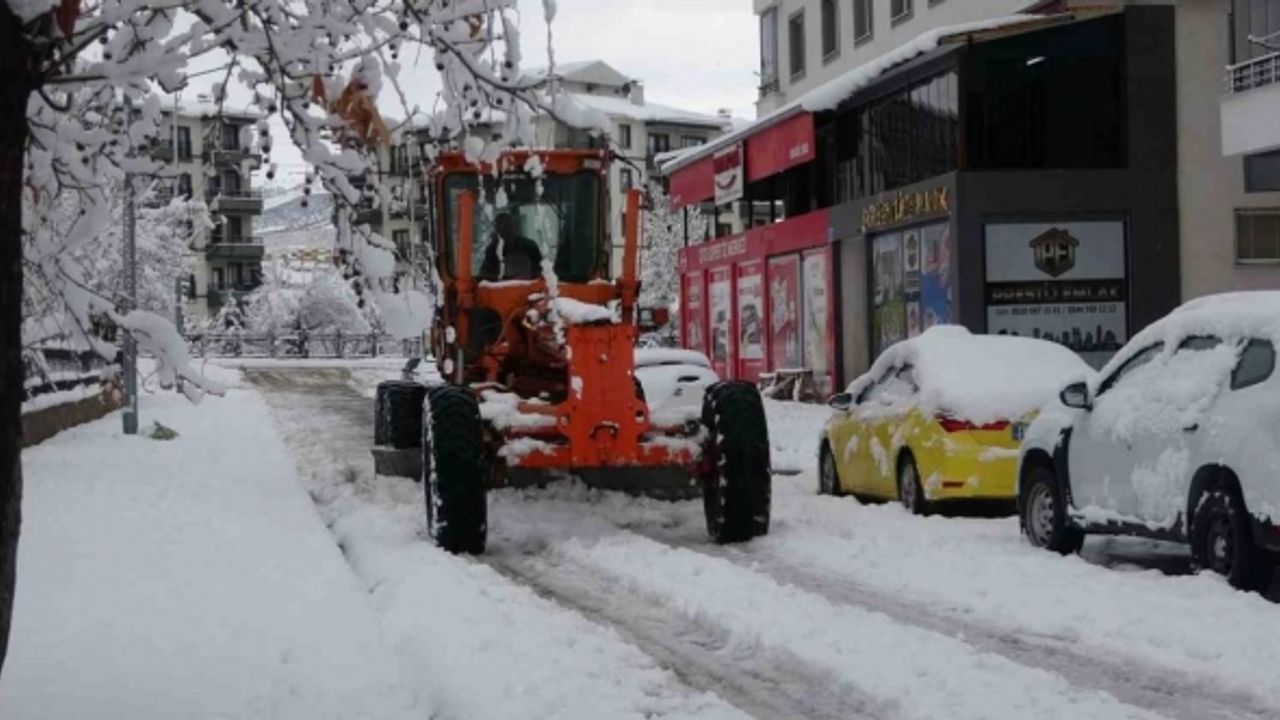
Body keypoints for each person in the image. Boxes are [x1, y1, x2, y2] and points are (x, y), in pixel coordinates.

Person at [479, 212, 543, 280]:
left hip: (530, 287)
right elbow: (485, 276)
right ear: (496, 231)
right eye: (500, 230)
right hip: (500, 288)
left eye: (507, 228)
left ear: (513, 228)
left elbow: (541, 272)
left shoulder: (529, 246)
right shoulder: (492, 250)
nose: (504, 233)